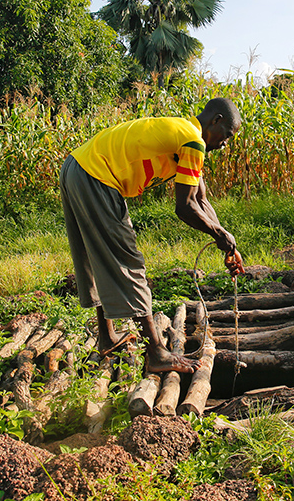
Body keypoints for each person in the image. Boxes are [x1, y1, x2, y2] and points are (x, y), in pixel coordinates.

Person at [59, 97, 244, 374]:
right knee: (128, 259)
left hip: (77, 168)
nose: (225, 143)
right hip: (96, 175)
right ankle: (157, 352)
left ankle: (108, 336)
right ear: (216, 120)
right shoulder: (193, 142)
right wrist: (220, 235)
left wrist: (228, 244)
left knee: (95, 255)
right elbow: (185, 207)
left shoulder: (187, 135)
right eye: (227, 135)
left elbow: (201, 200)